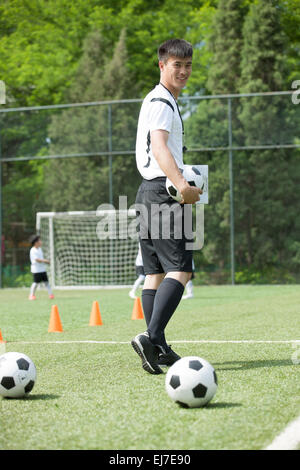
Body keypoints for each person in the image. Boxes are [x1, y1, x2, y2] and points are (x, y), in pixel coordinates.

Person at [131, 39, 202, 374]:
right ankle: (151, 336)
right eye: (177, 65)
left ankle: (157, 346)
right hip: (164, 192)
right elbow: (159, 147)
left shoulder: (157, 99)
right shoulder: (162, 101)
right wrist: (183, 186)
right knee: (182, 269)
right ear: (162, 65)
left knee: (154, 273)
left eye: (188, 65)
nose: (184, 71)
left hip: (147, 191)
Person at [28, 235, 54, 300]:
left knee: (46, 282)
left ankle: (51, 295)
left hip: (42, 269)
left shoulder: (39, 249)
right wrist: (45, 261)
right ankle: (31, 295)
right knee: (36, 283)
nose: (40, 242)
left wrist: (45, 261)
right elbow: (37, 260)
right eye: (39, 240)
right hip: (36, 270)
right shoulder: (33, 250)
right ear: (35, 242)